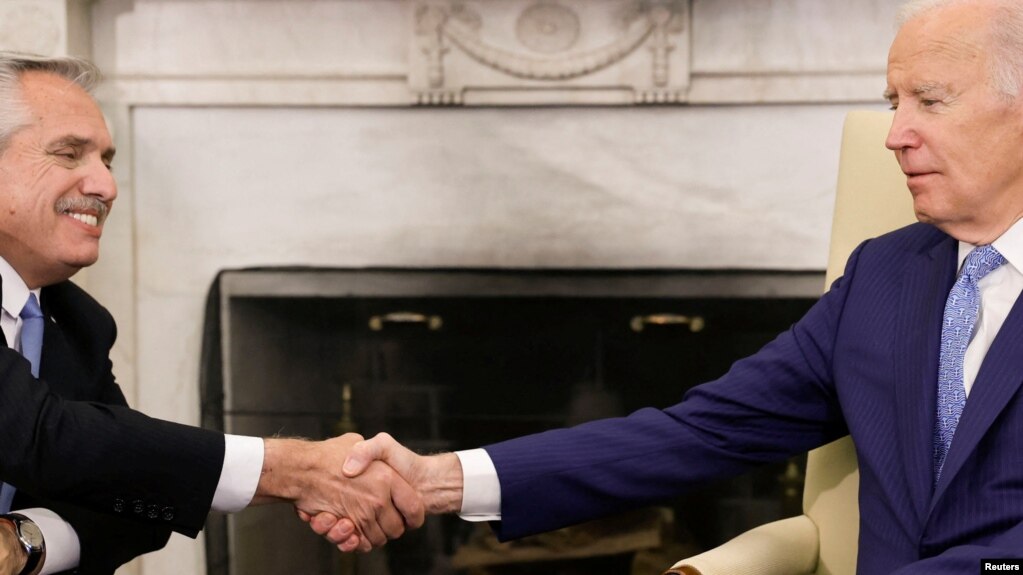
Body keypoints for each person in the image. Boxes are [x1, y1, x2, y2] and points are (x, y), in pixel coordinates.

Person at [315, 0, 1023, 571]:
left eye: (927, 102)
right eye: (890, 101)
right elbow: (701, 431)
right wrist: (436, 479)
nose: (894, 133)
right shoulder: (884, 273)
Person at [0, 53, 424, 575]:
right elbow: (40, 435)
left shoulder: (80, 322)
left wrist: (24, 542)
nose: (106, 186)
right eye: (69, 154)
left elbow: (140, 503)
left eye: (107, 162)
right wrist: (297, 469)